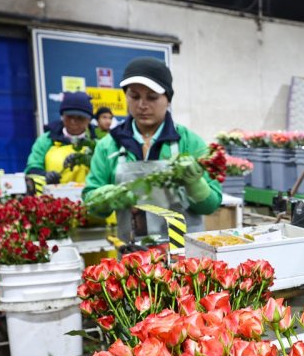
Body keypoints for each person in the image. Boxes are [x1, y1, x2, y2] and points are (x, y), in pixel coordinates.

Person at [82, 58, 222, 238]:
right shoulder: (109, 146)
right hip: (134, 258)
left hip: (185, 258)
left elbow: (211, 206)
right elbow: (91, 204)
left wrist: (195, 184)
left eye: (152, 97)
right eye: (134, 96)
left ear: (168, 99)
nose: (142, 105)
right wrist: (104, 199)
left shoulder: (188, 142)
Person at [25, 91, 97, 190]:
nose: (73, 121)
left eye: (80, 118)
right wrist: (45, 175)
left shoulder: (98, 143)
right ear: (62, 116)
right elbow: (32, 168)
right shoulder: (46, 140)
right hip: (52, 199)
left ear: (89, 120)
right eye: (69, 116)